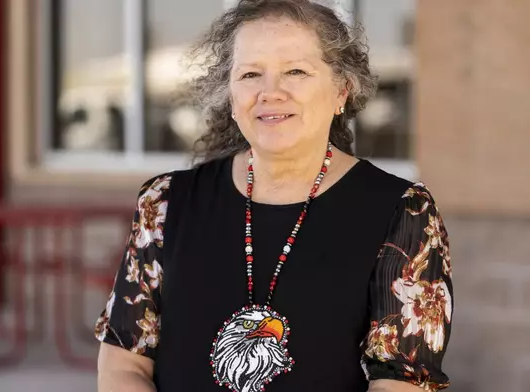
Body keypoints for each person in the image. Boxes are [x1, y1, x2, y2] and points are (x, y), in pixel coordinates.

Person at [94, 1, 453, 391]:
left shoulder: (402, 211)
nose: (270, 92)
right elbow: (123, 362)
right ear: (230, 98)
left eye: (296, 71)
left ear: (341, 91)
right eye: (250, 74)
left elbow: (403, 382)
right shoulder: (163, 203)